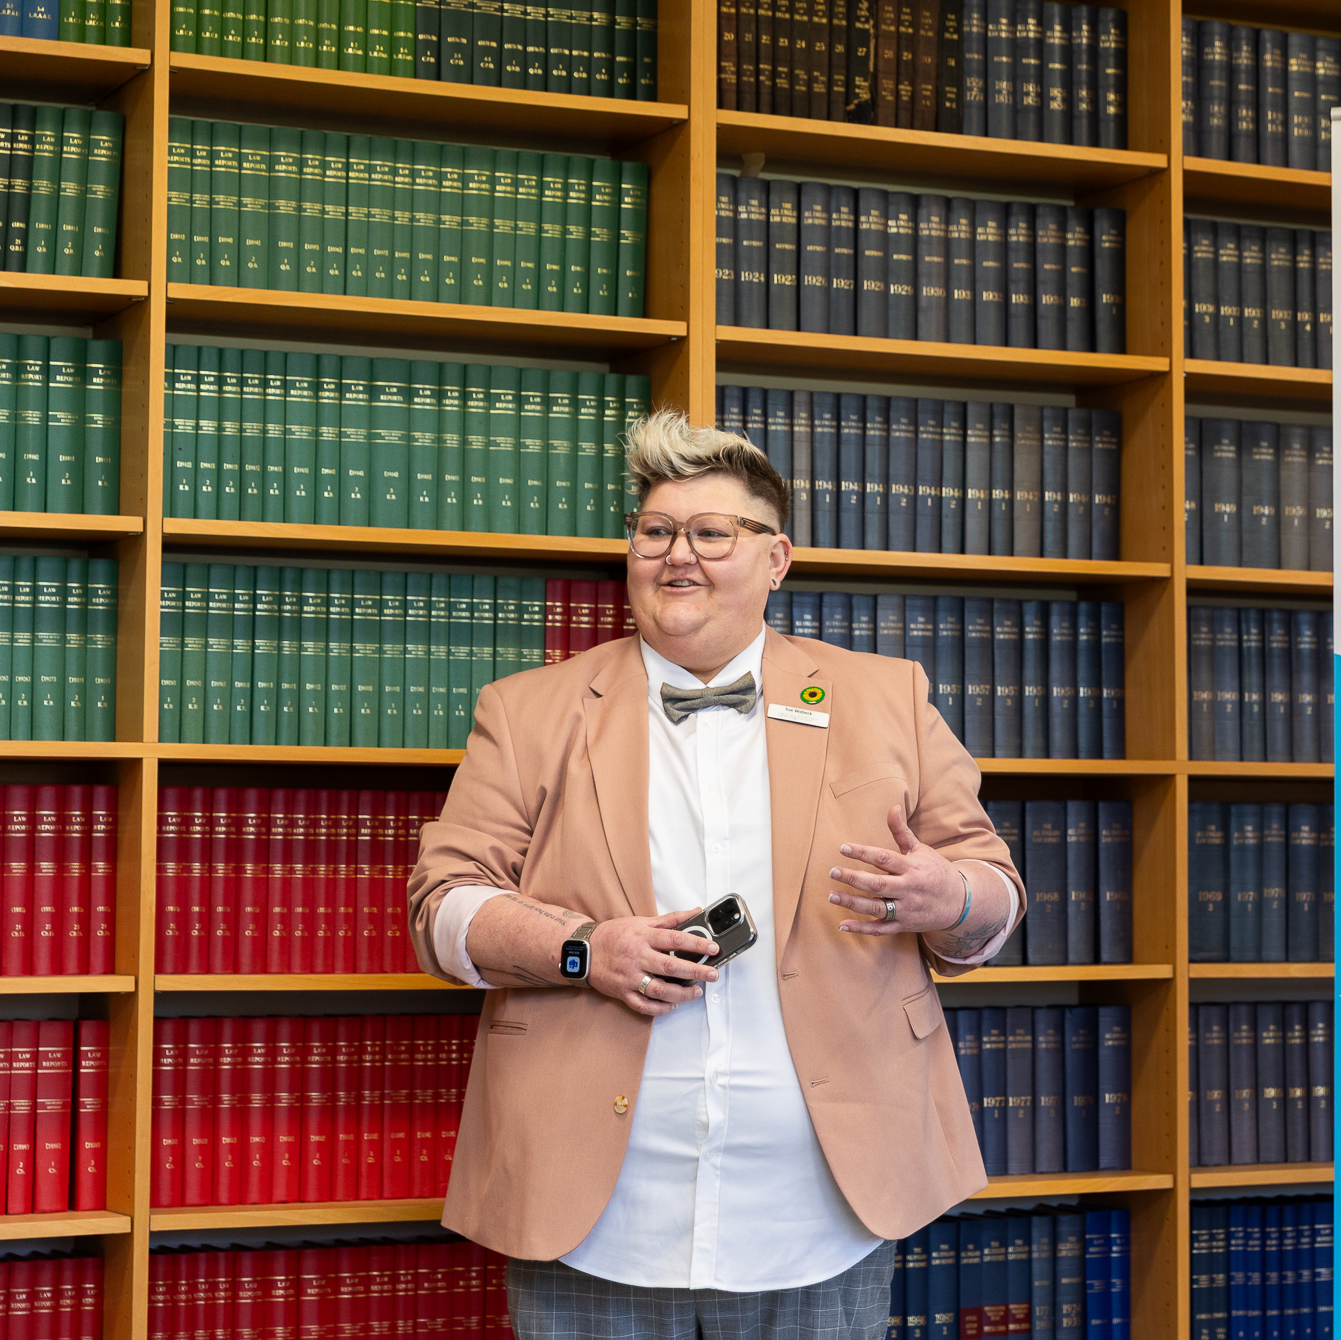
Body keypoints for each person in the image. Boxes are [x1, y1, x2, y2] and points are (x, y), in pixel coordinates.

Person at [406, 409, 1026, 1340]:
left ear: (777, 558)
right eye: (654, 532)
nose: (676, 555)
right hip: (595, 1212)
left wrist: (953, 897)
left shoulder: (885, 695)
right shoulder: (526, 709)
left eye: (710, 532)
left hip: (824, 1207)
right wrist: (584, 949)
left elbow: (994, 890)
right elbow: (442, 909)